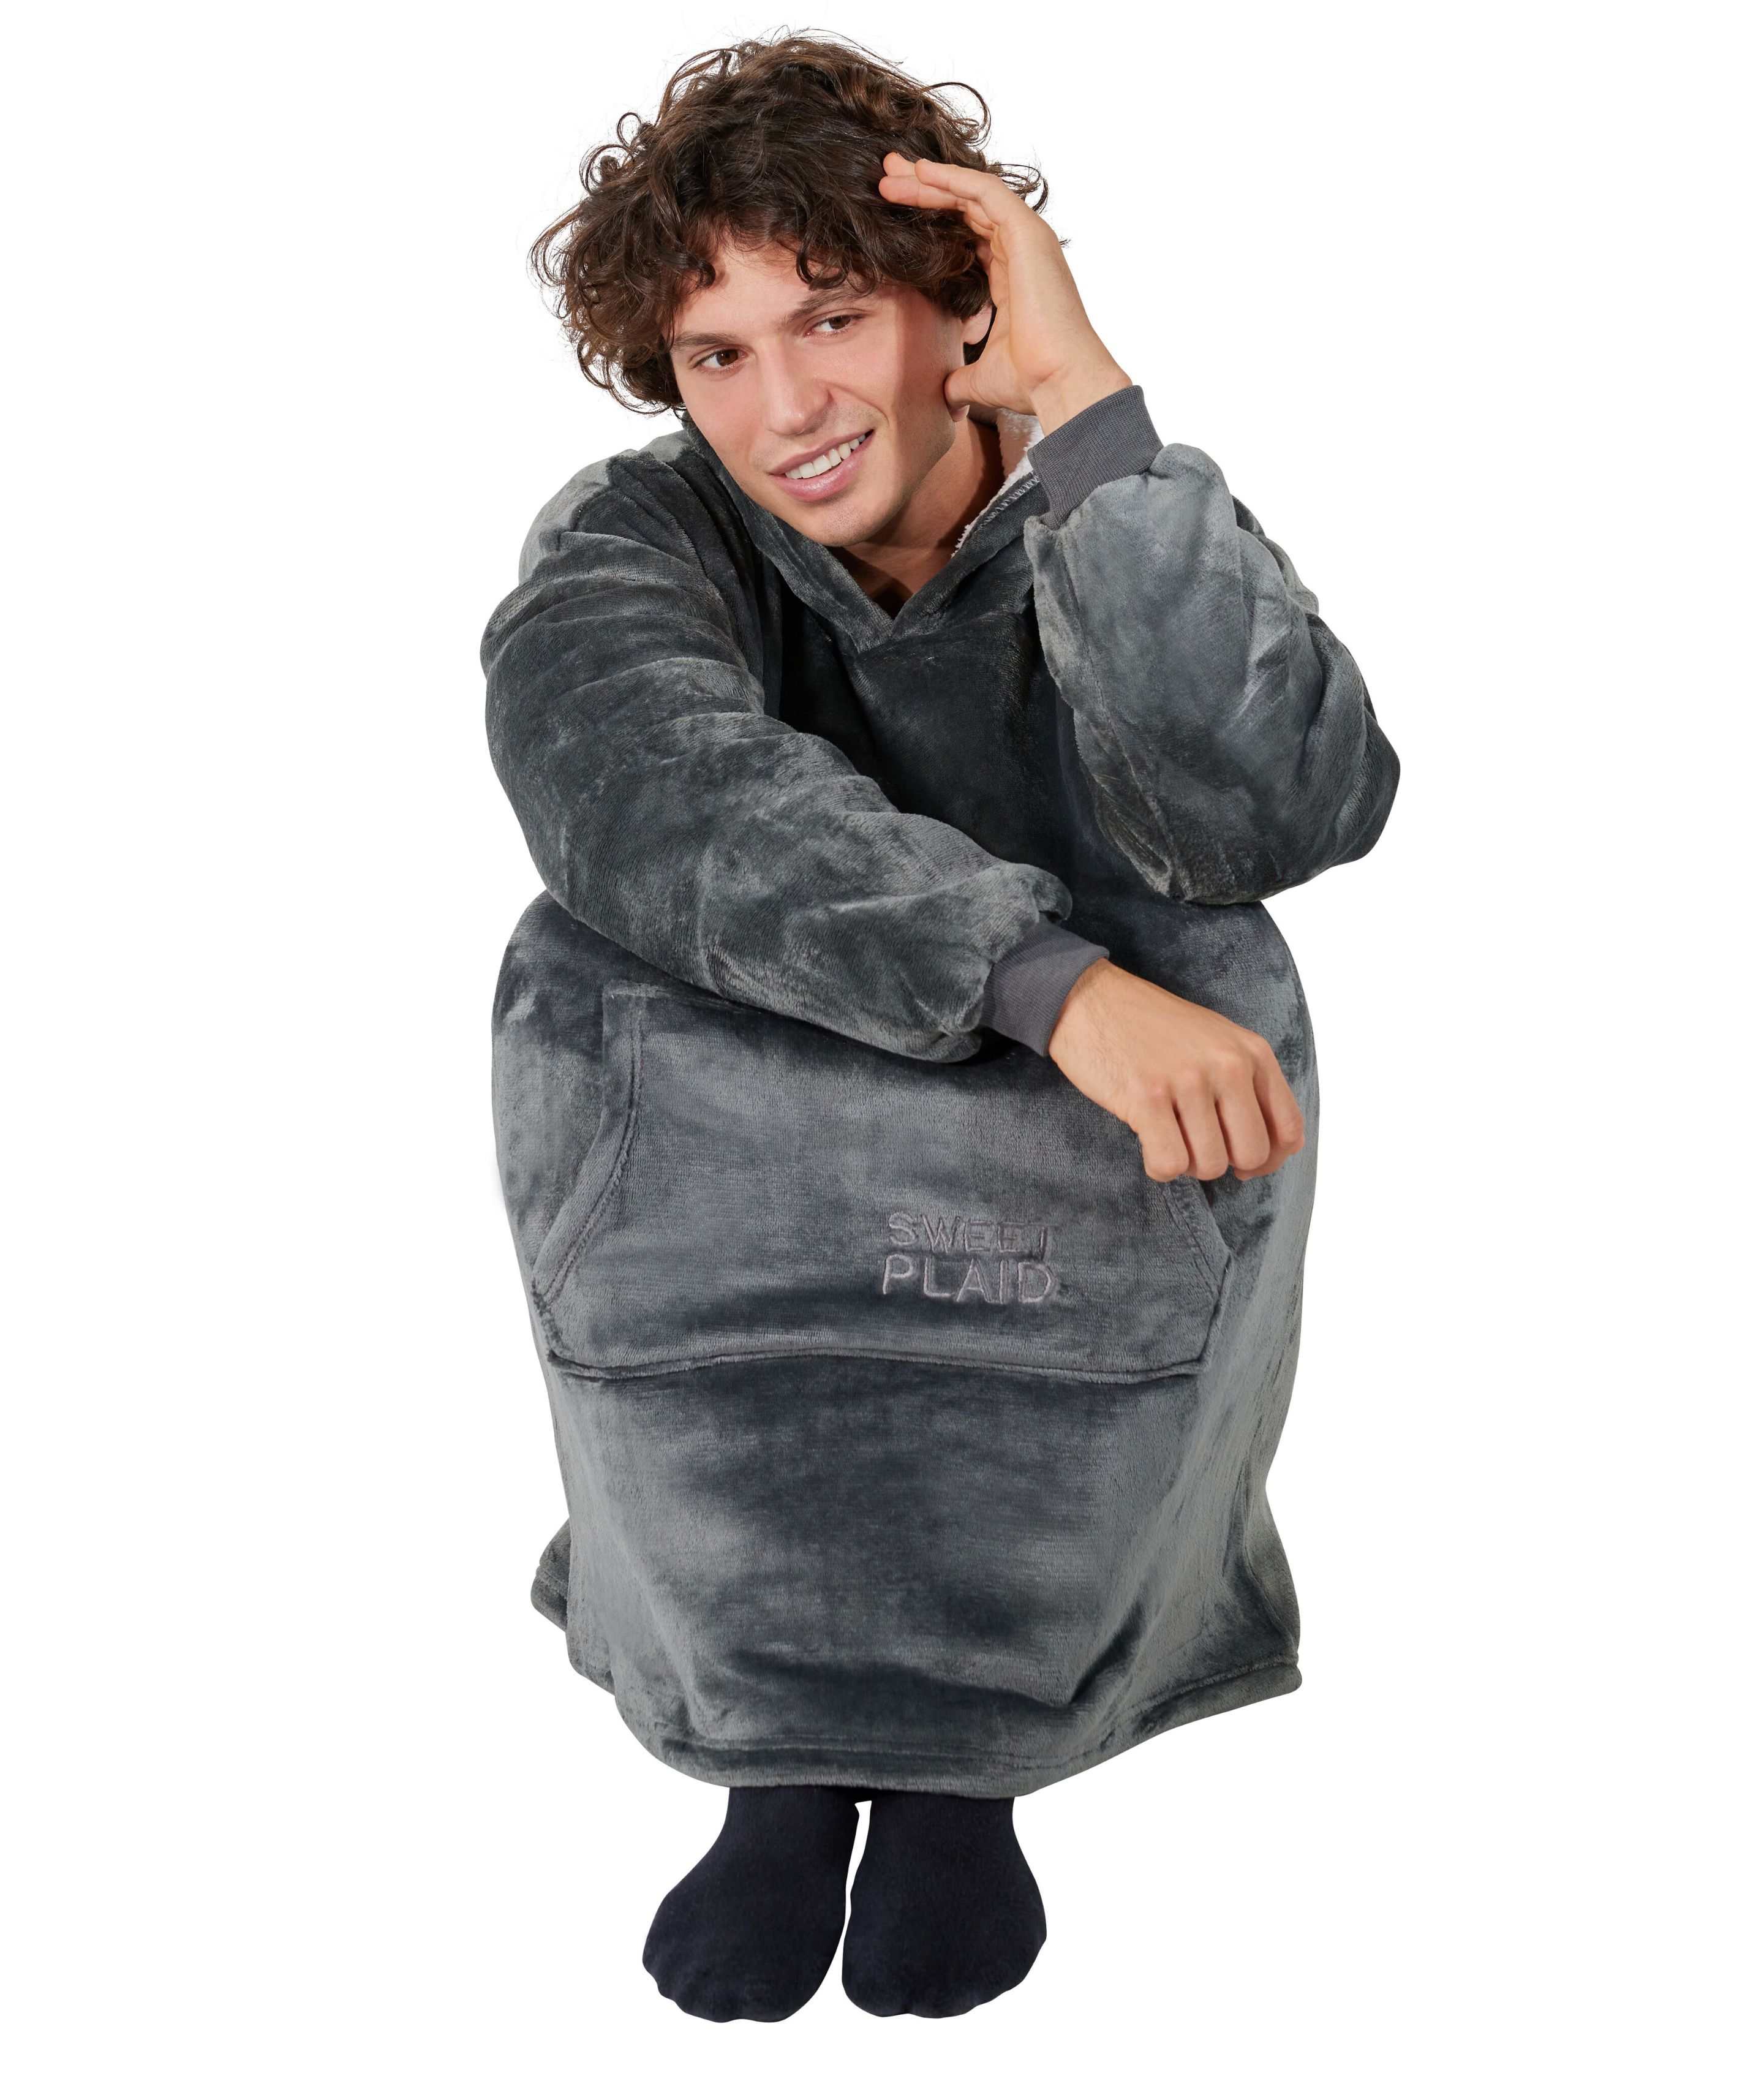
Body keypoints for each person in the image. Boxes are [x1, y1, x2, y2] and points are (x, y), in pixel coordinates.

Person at [483, 33, 1398, 2025]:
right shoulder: (643, 538)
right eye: (718, 353)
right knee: (733, 1408)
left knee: (1053, 1429)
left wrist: (1092, 421)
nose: (786, 406)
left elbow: (1286, 812)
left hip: (1100, 1140)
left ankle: (964, 1775)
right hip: (734, 1095)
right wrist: (1047, 988)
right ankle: (776, 1755)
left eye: (833, 316)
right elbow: (634, 777)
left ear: (960, 308)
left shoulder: (1109, 508)